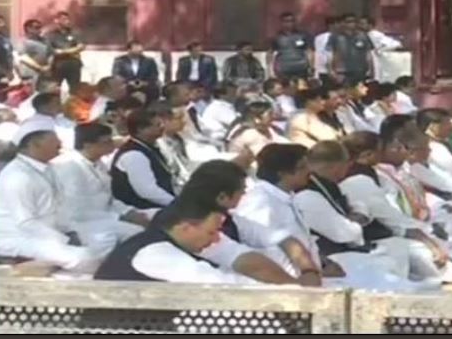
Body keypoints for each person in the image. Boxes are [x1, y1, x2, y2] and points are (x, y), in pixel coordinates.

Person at [237, 143, 419, 292]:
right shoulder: (260, 202)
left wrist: (322, 261)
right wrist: (313, 272)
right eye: (302, 168)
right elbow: (265, 250)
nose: (309, 172)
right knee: (378, 286)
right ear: (282, 174)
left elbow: (304, 239)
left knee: (385, 275)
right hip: (293, 282)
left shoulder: (285, 196)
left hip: (315, 271)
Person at [340, 131, 452, 284]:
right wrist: (425, 238)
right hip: (374, 238)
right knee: (416, 245)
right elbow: (392, 219)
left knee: (434, 229)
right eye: (380, 151)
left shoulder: (373, 174)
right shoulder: (359, 180)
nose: (383, 156)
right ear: (367, 156)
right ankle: (447, 272)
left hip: (394, 225)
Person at [294, 141, 426, 287]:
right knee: (385, 263)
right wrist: (358, 216)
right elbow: (346, 234)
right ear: (339, 166)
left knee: (396, 250)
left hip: (342, 249)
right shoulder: (306, 195)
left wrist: (356, 215)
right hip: (329, 256)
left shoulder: (327, 186)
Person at [178, 160, 322, 286]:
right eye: (242, 191)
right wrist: (299, 288)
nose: (244, 196)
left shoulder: (231, 219)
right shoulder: (195, 225)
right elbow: (250, 264)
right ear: (222, 197)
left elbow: (284, 239)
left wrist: (308, 270)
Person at [0, 119, 108, 272]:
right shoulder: (17, 176)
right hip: (18, 238)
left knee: (102, 243)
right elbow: (26, 223)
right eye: (54, 140)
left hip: (49, 235)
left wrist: (70, 232)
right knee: (83, 258)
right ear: (35, 144)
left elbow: (60, 209)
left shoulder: (49, 168)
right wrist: (63, 239)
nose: (60, 144)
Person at [94, 196, 253, 283]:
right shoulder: (155, 251)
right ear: (185, 227)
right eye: (212, 232)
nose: (217, 239)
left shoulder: (156, 242)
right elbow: (215, 283)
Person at [53, 123, 150, 242]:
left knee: (158, 216)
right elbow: (76, 212)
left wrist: (128, 212)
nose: (112, 145)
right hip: (82, 223)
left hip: (107, 215)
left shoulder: (99, 163)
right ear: (87, 145)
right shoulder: (69, 167)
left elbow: (108, 199)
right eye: (106, 142)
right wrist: (120, 217)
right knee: (137, 232)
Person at [111, 109, 176, 209]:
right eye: (157, 125)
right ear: (141, 129)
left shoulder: (149, 146)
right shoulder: (133, 155)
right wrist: (178, 204)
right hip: (145, 208)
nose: (162, 127)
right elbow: (147, 191)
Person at [267, 13, 314, 85]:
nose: (289, 23)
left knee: (302, 91)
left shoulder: (302, 35)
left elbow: (309, 51)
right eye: (286, 21)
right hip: (283, 70)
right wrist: (270, 70)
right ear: (282, 23)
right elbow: (270, 53)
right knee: (286, 91)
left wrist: (311, 66)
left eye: (292, 21)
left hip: (301, 69)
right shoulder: (276, 37)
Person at [328, 14, 374, 85]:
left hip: (360, 70)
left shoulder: (363, 36)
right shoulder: (336, 37)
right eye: (348, 22)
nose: (351, 24)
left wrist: (371, 69)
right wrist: (331, 70)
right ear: (343, 23)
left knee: (360, 93)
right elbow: (331, 54)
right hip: (342, 72)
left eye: (354, 21)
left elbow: (368, 54)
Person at [47, 11, 85, 94]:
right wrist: (73, 50)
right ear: (56, 20)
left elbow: (81, 46)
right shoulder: (50, 35)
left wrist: (63, 51)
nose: (67, 21)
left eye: (68, 19)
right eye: (64, 19)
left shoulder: (74, 32)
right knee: (55, 89)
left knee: (75, 90)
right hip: (58, 66)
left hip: (74, 65)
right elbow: (53, 51)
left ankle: (74, 106)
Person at [16, 18, 53, 88]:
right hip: (30, 74)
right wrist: (40, 68)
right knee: (31, 97)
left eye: (40, 27)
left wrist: (49, 65)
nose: (40, 29)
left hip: (44, 74)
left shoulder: (44, 40)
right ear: (28, 29)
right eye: (37, 27)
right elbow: (23, 57)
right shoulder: (23, 42)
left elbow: (51, 53)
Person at [200, 82, 239, 147]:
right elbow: (237, 123)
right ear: (222, 95)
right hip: (217, 141)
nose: (235, 96)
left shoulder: (223, 106)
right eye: (232, 93)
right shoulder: (219, 107)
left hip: (223, 139)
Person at [0, 13, 19, 103]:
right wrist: (5, 72)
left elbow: (10, 55)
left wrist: (13, 71)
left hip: (3, 78)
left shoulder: (4, 39)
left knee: (1, 101)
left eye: (0, 22)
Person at [314, 16, 341, 83]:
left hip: (320, 70)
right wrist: (331, 71)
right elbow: (327, 54)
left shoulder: (318, 37)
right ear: (331, 25)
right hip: (329, 71)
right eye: (338, 24)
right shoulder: (332, 37)